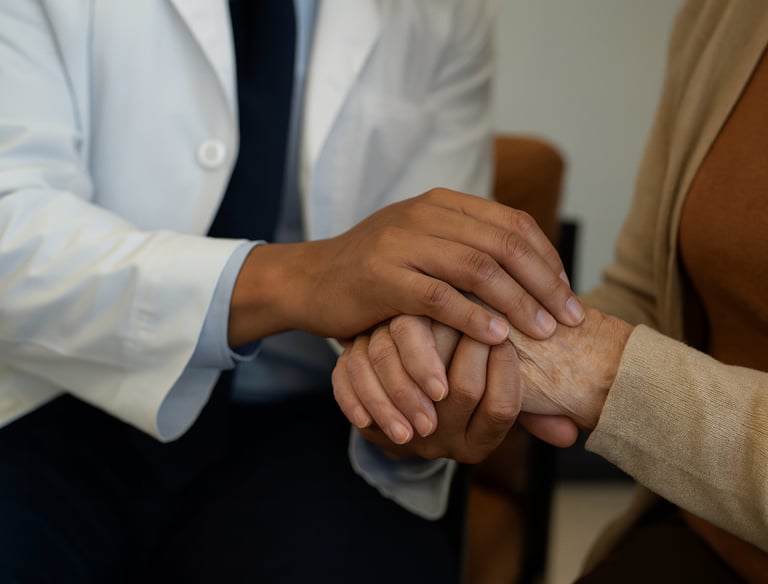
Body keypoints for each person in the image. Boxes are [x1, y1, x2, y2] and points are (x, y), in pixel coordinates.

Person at [0, 1, 589, 582]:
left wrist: (410, 372)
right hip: (52, 387)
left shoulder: (442, 11)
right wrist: (304, 278)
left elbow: (434, 270)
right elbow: (11, 229)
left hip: (312, 419)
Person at [332, 1, 768, 582]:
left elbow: (604, 355)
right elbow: (645, 294)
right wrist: (450, 338)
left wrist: (605, 372)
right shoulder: (726, 15)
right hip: (703, 530)